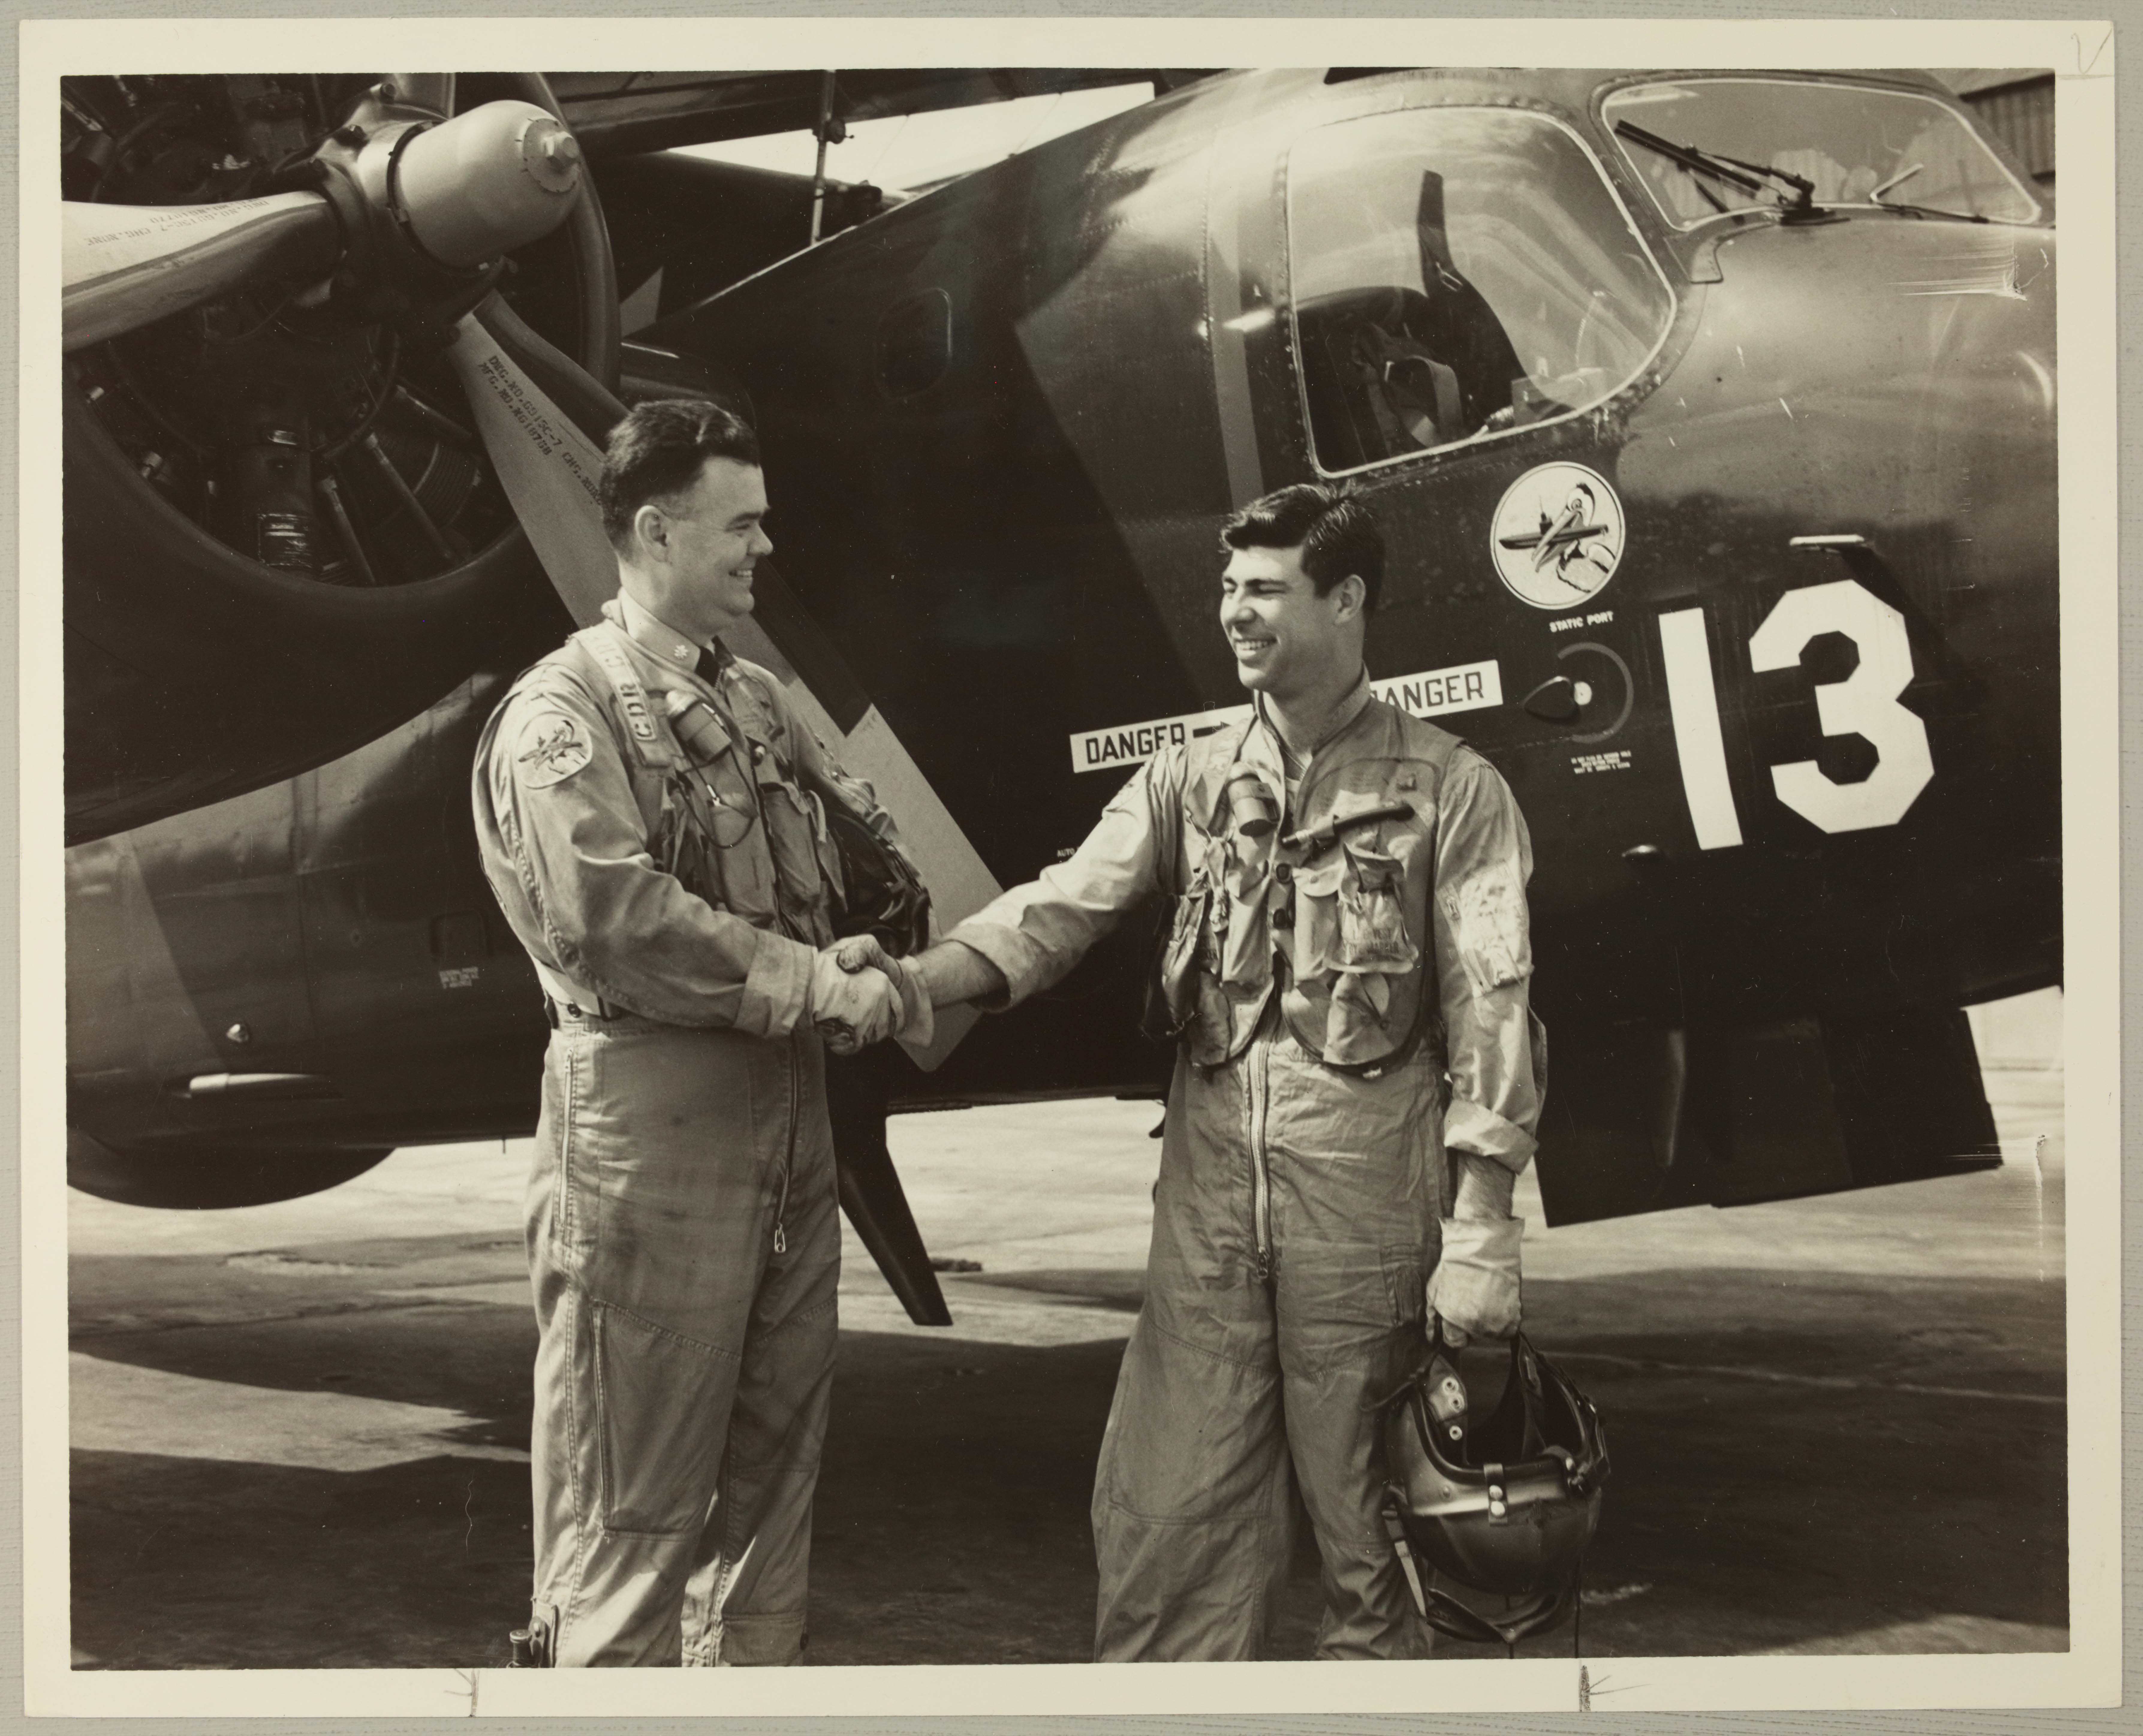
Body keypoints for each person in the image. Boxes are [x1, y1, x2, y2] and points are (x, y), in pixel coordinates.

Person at [889, 483, 1544, 1661]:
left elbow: (1494, 1007)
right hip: (1208, 1223)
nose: (1236, 612)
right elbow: (1059, 910)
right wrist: (913, 984)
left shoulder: (1453, 789)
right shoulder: (1188, 780)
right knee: (1165, 1531)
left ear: (1345, 602)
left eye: (1265, 590)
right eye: (1229, 588)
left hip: (1366, 1221)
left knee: (1373, 1549)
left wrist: (1486, 1228)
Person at [471, 399, 917, 1667]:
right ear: (657, 533)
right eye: (741, 525)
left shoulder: (756, 701)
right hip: (649, 1130)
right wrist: (812, 982)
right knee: (631, 1506)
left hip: (787, 1124)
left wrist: (853, 950)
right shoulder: (563, 712)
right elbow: (612, 918)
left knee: (773, 1497)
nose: (765, 547)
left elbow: (834, 875)